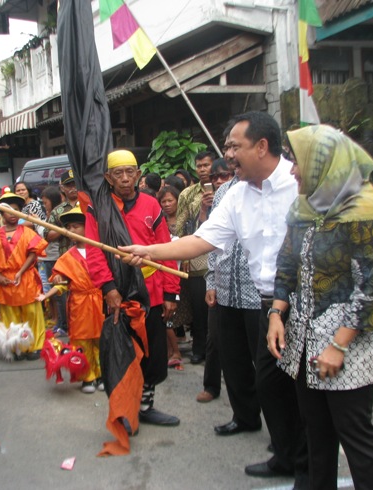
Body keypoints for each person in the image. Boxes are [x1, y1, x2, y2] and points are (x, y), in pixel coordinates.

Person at [119, 112, 308, 486]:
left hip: (307, 299)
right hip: (269, 302)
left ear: (262, 146)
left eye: (234, 147)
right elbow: (203, 239)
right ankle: (286, 456)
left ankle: (307, 466)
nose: (228, 155)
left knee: (302, 390)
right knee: (270, 384)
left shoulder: (299, 182)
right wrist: (150, 251)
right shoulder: (236, 194)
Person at [268, 124, 373, 489]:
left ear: (322, 163)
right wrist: (276, 313)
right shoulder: (305, 206)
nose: (292, 170)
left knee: (355, 435)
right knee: (316, 435)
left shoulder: (364, 210)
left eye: (297, 162)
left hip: (349, 344)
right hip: (305, 340)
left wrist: (338, 346)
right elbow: (287, 264)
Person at [86, 149, 180, 426]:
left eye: (130, 172)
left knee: (151, 355)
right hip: (118, 295)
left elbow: (167, 250)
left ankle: (145, 406)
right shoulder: (98, 207)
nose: (125, 179)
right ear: (108, 177)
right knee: (121, 356)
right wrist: (108, 288)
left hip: (150, 294)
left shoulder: (152, 205)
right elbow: (93, 252)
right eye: (118, 173)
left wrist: (170, 293)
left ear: (139, 175)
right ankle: (125, 410)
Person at [203, 150, 262, 439]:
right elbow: (212, 239)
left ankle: (284, 435)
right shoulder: (223, 193)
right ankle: (244, 416)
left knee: (266, 363)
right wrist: (211, 281)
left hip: (259, 294)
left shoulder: (270, 189)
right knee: (234, 361)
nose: (231, 155)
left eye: (237, 148)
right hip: (226, 289)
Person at [38, 206, 105, 393]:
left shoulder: (101, 251)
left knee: (102, 340)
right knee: (82, 340)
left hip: (100, 300)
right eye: (69, 227)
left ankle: (102, 374)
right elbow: (60, 284)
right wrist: (46, 294)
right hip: (80, 303)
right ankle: (87, 377)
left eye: (77, 226)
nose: (72, 230)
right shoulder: (66, 258)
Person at [0, 192, 48, 359]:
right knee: (10, 315)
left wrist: (20, 272)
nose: (12, 213)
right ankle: (15, 346)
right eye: (8, 210)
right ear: (1, 213)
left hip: (25, 278)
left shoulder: (27, 232)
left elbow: (33, 253)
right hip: (5, 281)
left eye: (16, 209)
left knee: (32, 313)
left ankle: (35, 345)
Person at [197, 157, 235, 404]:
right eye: (214, 177)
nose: (219, 181)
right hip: (217, 278)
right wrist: (211, 282)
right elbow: (202, 237)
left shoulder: (244, 195)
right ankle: (211, 386)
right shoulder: (197, 196)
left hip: (251, 289)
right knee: (215, 338)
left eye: (225, 176)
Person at [175, 151, 215, 364]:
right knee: (200, 310)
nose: (202, 169)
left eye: (206, 165)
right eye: (199, 165)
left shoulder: (229, 189)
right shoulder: (188, 194)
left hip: (223, 258)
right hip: (199, 259)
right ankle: (199, 349)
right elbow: (180, 226)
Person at [44, 170, 79, 334]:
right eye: (68, 185)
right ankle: (68, 326)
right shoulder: (58, 211)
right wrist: (65, 230)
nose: (72, 188)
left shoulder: (88, 204)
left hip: (89, 257)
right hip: (67, 258)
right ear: (62, 188)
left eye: (75, 184)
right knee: (64, 293)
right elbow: (47, 235)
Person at [157, 185, 185, 370]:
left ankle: (176, 353)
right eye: (163, 201)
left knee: (168, 320)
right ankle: (169, 352)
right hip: (162, 279)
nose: (167, 204)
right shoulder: (161, 225)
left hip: (173, 280)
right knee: (164, 320)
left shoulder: (179, 232)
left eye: (170, 200)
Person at [37, 186, 63, 332]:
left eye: (45, 202)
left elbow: (47, 236)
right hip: (46, 257)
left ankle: (60, 321)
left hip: (54, 256)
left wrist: (37, 222)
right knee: (51, 290)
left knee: (57, 290)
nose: (44, 205)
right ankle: (55, 318)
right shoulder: (49, 214)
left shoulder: (57, 213)